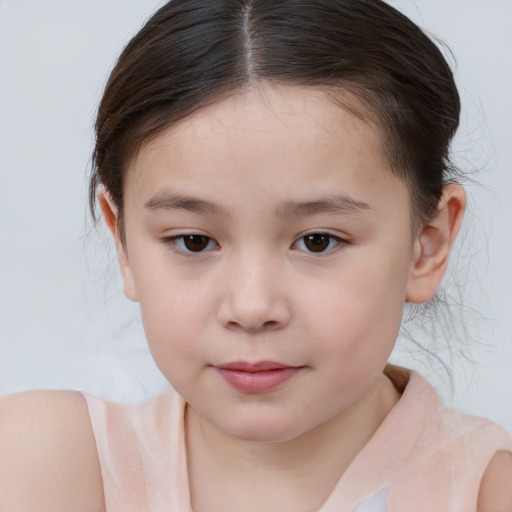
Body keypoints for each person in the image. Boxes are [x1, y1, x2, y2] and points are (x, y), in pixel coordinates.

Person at [1, 0, 511, 511]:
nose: (251, 307)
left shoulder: (489, 490)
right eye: (194, 241)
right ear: (124, 243)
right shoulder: (45, 464)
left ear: (427, 245)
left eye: (318, 241)